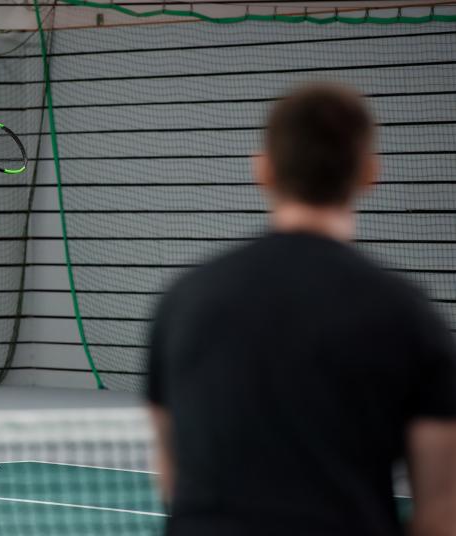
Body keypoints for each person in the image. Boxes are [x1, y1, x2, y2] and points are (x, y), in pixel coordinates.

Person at [147, 84, 456, 535]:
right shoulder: (411, 316)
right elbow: (441, 512)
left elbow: (172, 474)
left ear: (263, 170)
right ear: (369, 172)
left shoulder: (182, 302)